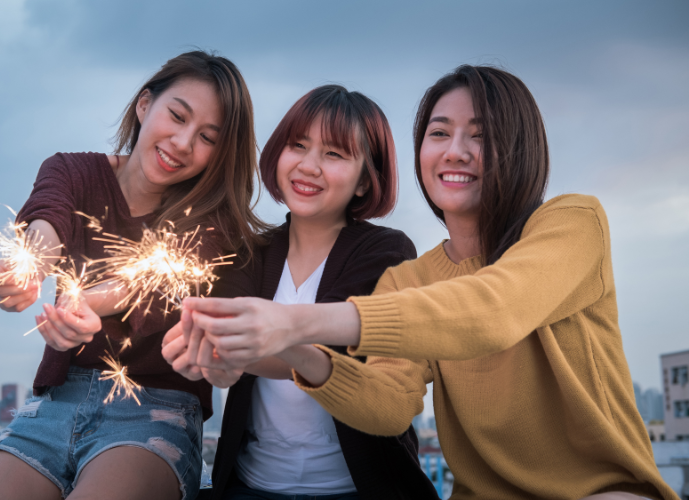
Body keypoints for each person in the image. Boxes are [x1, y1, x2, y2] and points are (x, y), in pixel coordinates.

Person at [176, 66, 678, 500]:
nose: (455, 151)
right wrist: (300, 353)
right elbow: (389, 405)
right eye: (439, 133)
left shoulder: (573, 222)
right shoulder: (409, 279)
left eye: (479, 135)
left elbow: (492, 310)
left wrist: (290, 323)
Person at [0, 51, 265, 500]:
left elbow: (155, 282)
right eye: (176, 116)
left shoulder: (212, 219)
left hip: (156, 411)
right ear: (145, 105)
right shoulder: (70, 170)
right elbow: (48, 223)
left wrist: (85, 302)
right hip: (56, 403)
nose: (182, 142)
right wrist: (27, 268)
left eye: (206, 137)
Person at [163, 85, 439, 499]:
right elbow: (223, 335)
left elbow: (330, 349)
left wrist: (236, 348)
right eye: (298, 145)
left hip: (358, 488)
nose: (309, 166)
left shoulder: (386, 251)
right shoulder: (248, 251)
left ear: (366, 180)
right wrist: (211, 358)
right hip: (250, 486)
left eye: (334, 154)